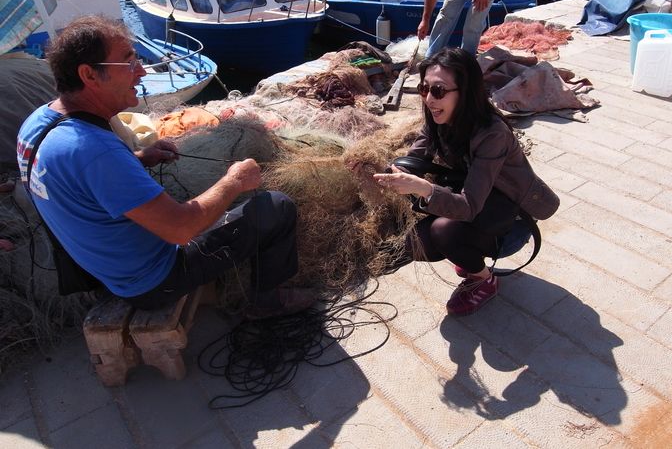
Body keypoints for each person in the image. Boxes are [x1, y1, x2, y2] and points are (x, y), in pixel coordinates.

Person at [16, 16, 314, 318]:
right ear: (89, 75)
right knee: (275, 207)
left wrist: (141, 158)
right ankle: (268, 302)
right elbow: (180, 229)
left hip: (102, 269)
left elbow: (80, 180)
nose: (142, 72)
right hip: (154, 281)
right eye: (128, 62)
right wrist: (235, 181)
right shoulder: (95, 150)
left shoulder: (39, 123)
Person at [373, 48, 559, 316]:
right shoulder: (441, 116)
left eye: (438, 90)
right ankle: (468, 251)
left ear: (466, 91)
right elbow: (417, 154)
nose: (428, 99)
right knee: (419, 243)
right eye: (424, 89)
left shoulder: (492, 133)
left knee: (442, 232)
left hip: (511, 221)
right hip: (482, 200)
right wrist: (391, 172)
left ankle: (484, 280)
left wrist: (423, 188)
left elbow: (469, 206)